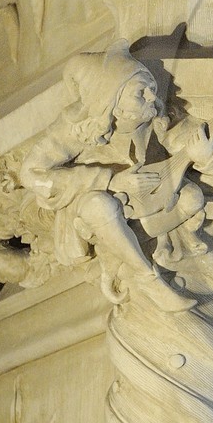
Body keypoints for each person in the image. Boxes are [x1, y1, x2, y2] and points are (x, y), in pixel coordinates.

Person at [21, 45, 196, 310]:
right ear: (111, 102)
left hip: (145, 198)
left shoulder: (154, 114)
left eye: (151, 86)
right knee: (100, 205)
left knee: (192, 198)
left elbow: (183, 136)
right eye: (140, 92)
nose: (151, 95)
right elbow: (30, 174)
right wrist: (108, 180)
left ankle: (132, 250)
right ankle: (147, 279)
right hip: (89, 206)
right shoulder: (75, 128)